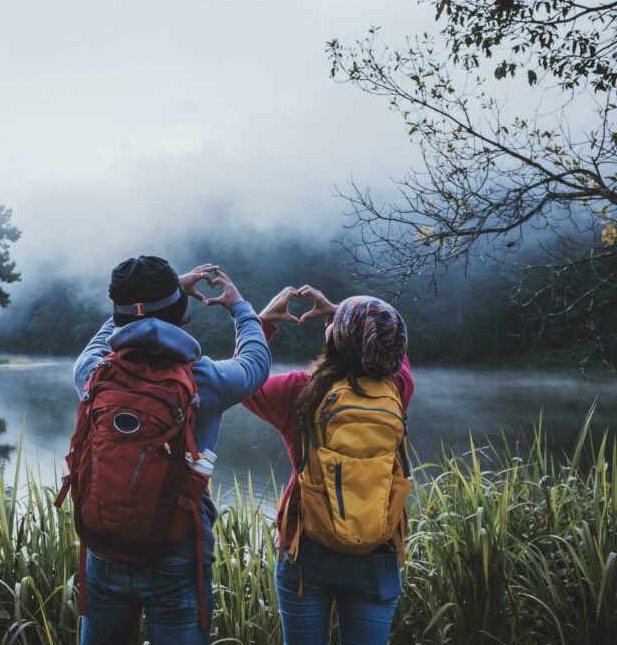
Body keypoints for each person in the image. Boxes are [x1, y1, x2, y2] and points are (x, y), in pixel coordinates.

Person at [70, 256, 271, 644]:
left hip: (106, 546)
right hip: (178, 550)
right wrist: (240, 308)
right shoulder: (203, 379)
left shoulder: (93, 373)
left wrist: (149, 299)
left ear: (118, 312)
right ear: (179, 310)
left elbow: (107, 334)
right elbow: (255, 363)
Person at [243, 286, 414, 645]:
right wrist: (344, 314)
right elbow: (392, 347)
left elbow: (245, 379)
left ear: (337, 339)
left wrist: (263, 322)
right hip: (378, 547)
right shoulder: (396, 389)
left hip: (307, 547)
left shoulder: (300, 390)